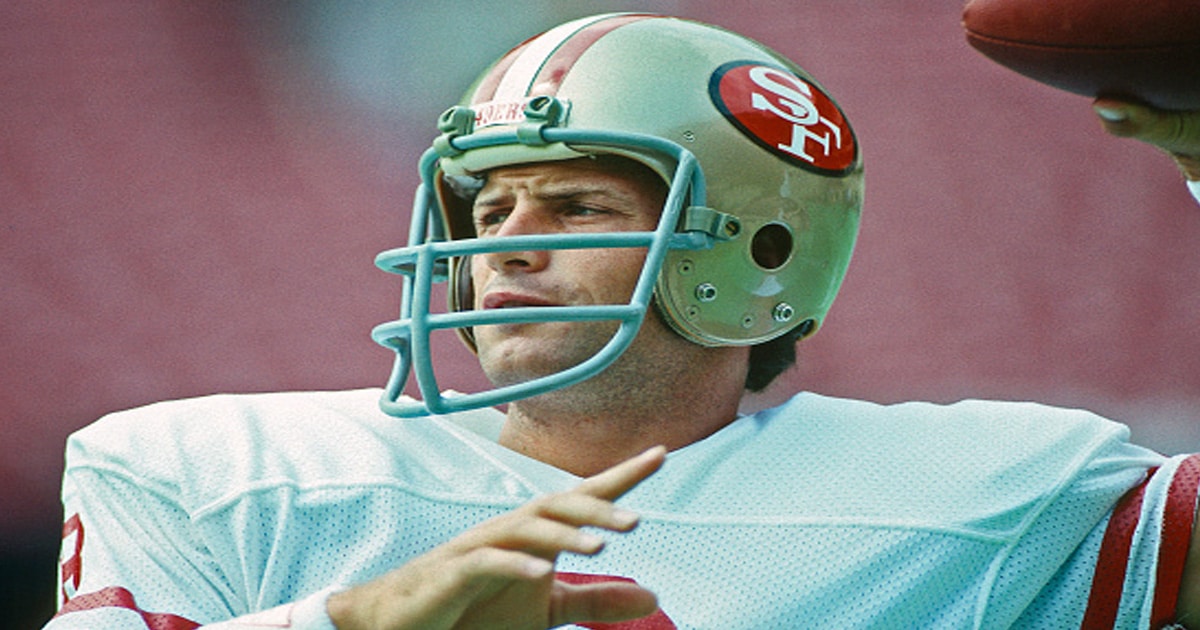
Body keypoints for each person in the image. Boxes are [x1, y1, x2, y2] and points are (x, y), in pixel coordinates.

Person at [45, 13, 1200, 630]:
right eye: (487, 206)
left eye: (577, 203)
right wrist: (351, 628)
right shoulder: (213, 475)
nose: (507, 244)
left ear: (761, 249)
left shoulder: (989, 498)